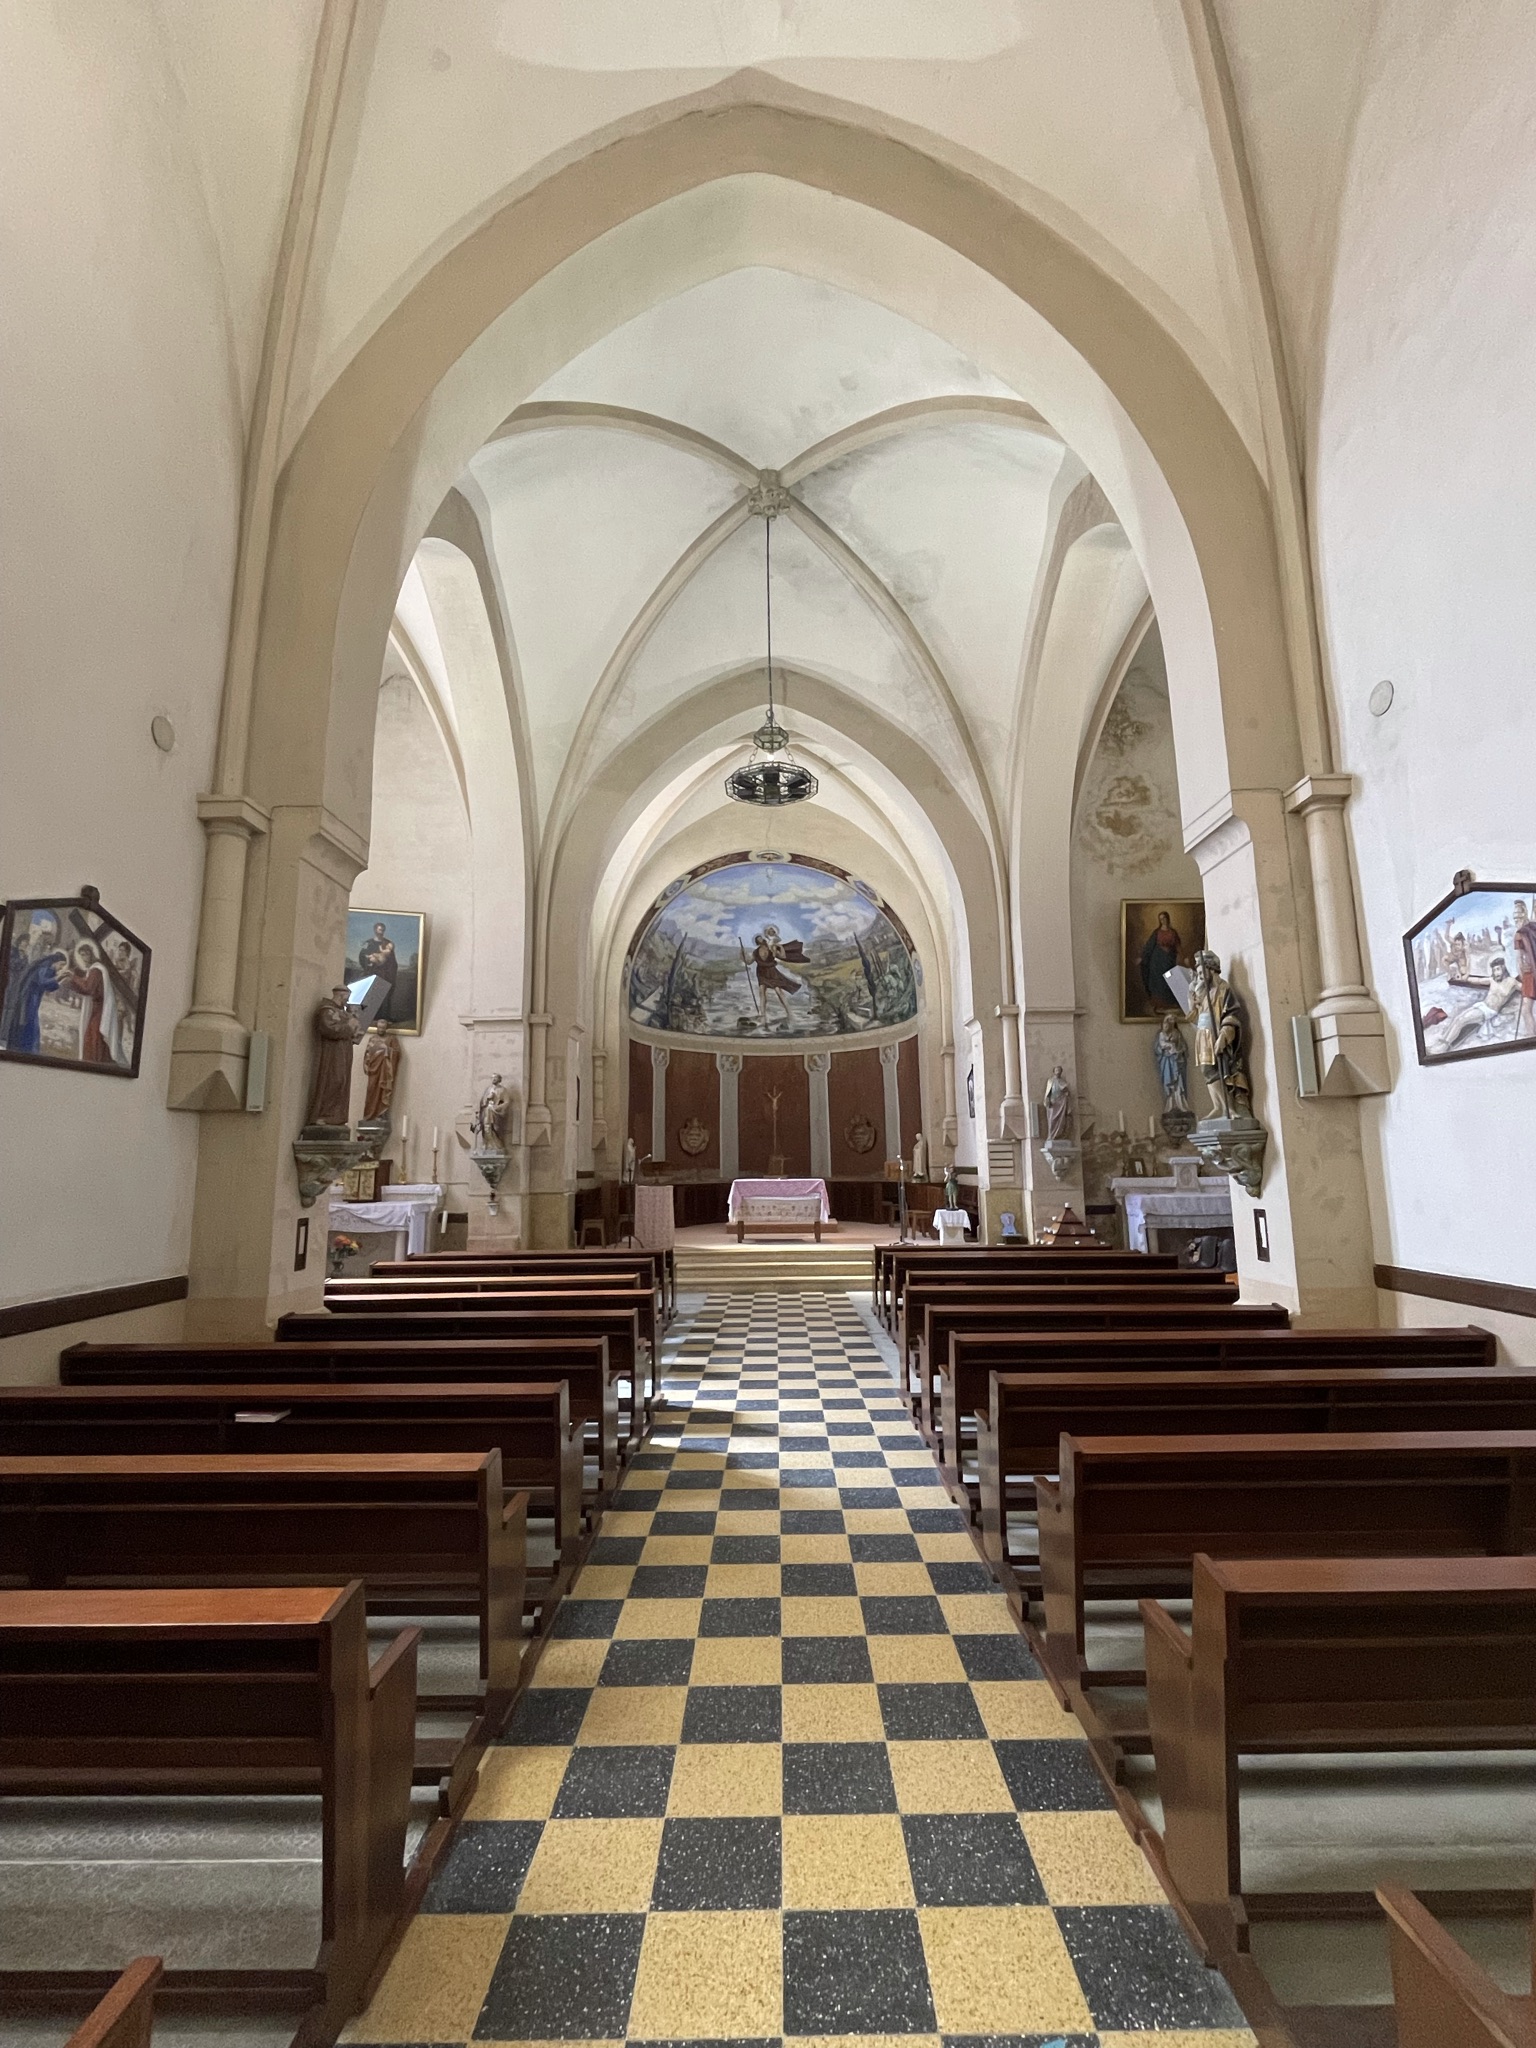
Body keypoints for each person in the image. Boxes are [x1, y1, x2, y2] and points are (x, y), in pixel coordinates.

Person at [1185, 948, 1252, 1120]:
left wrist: (1224, 1034)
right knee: (1206, 1070)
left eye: (1202, 972)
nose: (1199, 976)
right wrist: (1193, 1005)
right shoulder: (1200, 992)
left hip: (1216, 1032)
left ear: (1211, 970)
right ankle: (1219, 1106)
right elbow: (1195, 1017)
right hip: (1203, 1034)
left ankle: (1229, 1108)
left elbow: (1231, 1013)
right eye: (1198, 973)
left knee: (1216, 1069)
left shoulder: (1223, 990)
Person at [1434, 956, 1524, 1050]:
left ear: (1503, 968)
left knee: (1462, 1020)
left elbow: (1526, 989)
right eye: (1494, 970)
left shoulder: (1512, 982)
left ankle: (1444, 1046)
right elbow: (1477, 980)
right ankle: (1440, 1042)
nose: (1496, 973)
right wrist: (1461, 979)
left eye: (1498, 969)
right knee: (1458, 1018)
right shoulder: (1492, 980)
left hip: (1489, 1011)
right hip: (1482, 1005)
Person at [304, 986, 363, 1129]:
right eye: (346, 999)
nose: (347, 1002)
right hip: (332, 1053)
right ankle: (323, 1115)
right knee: (333, 1080)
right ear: (340, 996)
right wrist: (349, 1027)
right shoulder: (326, 1010)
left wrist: (354, 1024)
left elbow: (357, 1034)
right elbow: (328, 1028)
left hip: (345, 1051)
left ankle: (336, 1116)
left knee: (342, 1081)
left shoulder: (344, 1013)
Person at [60, 939, 119, 1066]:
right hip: (96, 1008)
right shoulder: (93, 969)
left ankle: (96, 1063)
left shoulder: (96, 970)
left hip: (100, 1009)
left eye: (86, 954)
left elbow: (88, 988)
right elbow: (86, 990)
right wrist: (71, 983)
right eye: (82, 955)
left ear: (91, 953)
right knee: (92, 1036)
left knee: (94, 1037)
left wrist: (73, 977)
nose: (84, 957)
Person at [750, 925, 801, 1023]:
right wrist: (742, 955)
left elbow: (782, 955)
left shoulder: (771, 947)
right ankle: (763, 1015)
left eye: (762, 938)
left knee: (779, 992)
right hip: (761, 972)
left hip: (772, 972)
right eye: (759, 939)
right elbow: (749, 961)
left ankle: (790, 1013)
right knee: (762, 992)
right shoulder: (755, 952)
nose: (762, 940)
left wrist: (780, 947)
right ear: (757, 943)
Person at [1139, 908, 1184, 1010]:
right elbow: (1149, 946)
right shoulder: (1157, 932)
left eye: (1164, 918)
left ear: (1168, 919)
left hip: (1169, 961)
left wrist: (1183, 956)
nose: (1163, 920)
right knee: (1159, 981)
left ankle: (1169, 1003)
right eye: (1161, 919)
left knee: (1169, 979)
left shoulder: (1173, 932)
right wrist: (1142, 957)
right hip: (1157, 961)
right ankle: (1159, 1004)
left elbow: (1178, 946)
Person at [358, 921, 399, 1020]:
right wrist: (368, 964)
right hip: (370, 972)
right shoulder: (368, 943)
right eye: (379, 929)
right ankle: (367, 1017)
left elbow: (393, 962)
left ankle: (383, 1018)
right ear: (375, 930)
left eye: (382, 930)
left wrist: (386, 967)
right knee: (369, 995)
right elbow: (362, 957)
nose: (381, 932)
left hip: (384, 974)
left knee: (383, 996)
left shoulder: (387, 944)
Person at [1154, 1012, 1190, 1113]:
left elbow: (1184, 1047)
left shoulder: (1177, 1033)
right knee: (1168, 1081)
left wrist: (1179, 1051)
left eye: (1173, 1021)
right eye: (1169, 1021)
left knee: (1179, 1082)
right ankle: (1170, 1104)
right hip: (1167, 1061)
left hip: (1177, 1061)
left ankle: (1180, 1104)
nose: (1171, 1023)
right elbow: (1158, 1047)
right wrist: (1166, 1048)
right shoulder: (1161, 1034)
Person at [1512, 899, 1536, 1038]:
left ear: (1524, 912)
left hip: (1530, 973)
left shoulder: (1527, 931)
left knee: (1526, 1009)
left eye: (1518, 914)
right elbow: (1519, 958)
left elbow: (1519, 959)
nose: (1516, 918)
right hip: (1528, 974)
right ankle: (1532, 1037)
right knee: (1526, 1009)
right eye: (1514, 915)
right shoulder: (1521, 933)